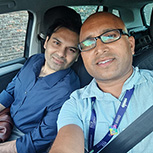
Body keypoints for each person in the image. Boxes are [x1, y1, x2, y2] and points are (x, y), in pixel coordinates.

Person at [49, 12, 153, 153]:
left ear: (131, 44)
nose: (99, 48)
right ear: (82, 56)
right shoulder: (76, 105)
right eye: (88, 43)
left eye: (110, 36)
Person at [0, 6, 82, 153]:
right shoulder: (34, 60)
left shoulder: (68, 90)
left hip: (23, 138)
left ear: (77, 57)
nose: (61, 53)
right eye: (57, 43)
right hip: (6, 120)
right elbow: (11, 91)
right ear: (46, 42)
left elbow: (41, 136)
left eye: (71, 49)